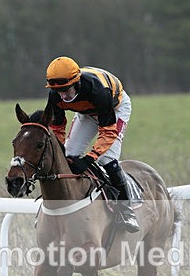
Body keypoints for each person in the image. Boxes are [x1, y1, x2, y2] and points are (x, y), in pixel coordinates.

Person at [44, 56, 140, 233]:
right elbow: (57, 128)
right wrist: (59, 151)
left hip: (115, 109)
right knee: (70, 156)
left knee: (107, 159)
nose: (63, 96)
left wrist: (89, 159)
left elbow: (108, 132)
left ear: (77, 83)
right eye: (58, 91)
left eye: (66, 89)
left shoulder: (98, 91)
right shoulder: (55, 95)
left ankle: (126, 209)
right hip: (86, 113)